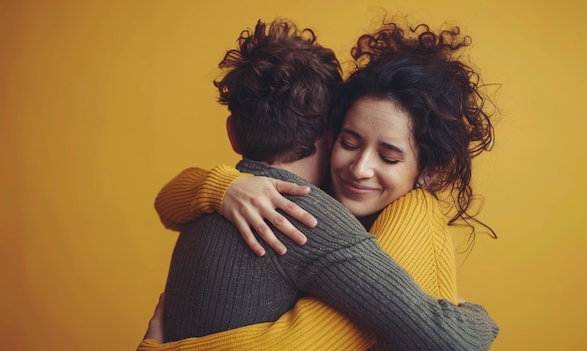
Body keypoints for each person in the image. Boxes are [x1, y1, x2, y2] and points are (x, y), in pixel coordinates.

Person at [139, 18, 499, 351]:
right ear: (329, 137)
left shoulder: (410, 214)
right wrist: (222, 187)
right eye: (350, 142)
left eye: (389, 157)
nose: (360, 168)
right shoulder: (286, 206)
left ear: (430, 170)